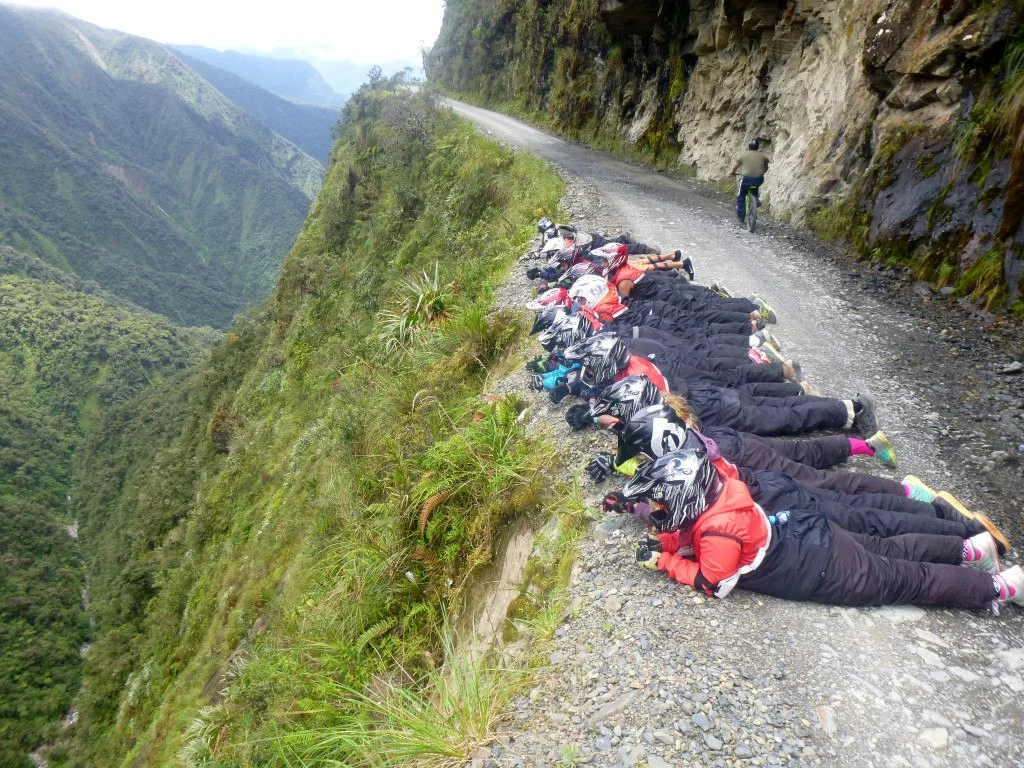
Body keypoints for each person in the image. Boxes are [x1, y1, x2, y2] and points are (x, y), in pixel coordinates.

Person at [625, 451, 1024, 611]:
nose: (662, 512)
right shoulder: (724, 495)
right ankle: (972, 549)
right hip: (812, 535)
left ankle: (1001, 589)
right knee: (889, 546)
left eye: (663, 504)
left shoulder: (718, 534)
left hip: (824, 568)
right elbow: (699, 532)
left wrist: (666, 562)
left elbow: (714, 582)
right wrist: (668, 540)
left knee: (908, 580)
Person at [730, 139, 769, 224]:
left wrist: (732, 173)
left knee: (741, 195)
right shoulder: (763, 156)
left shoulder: (744, 156)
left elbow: (735, 167)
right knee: (755, 185)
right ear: (758, 147)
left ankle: (740, 216)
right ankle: (755, 198)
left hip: (746, 179)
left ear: (749, 147)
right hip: (759, 179)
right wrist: (761, 172)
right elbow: (766, 167)